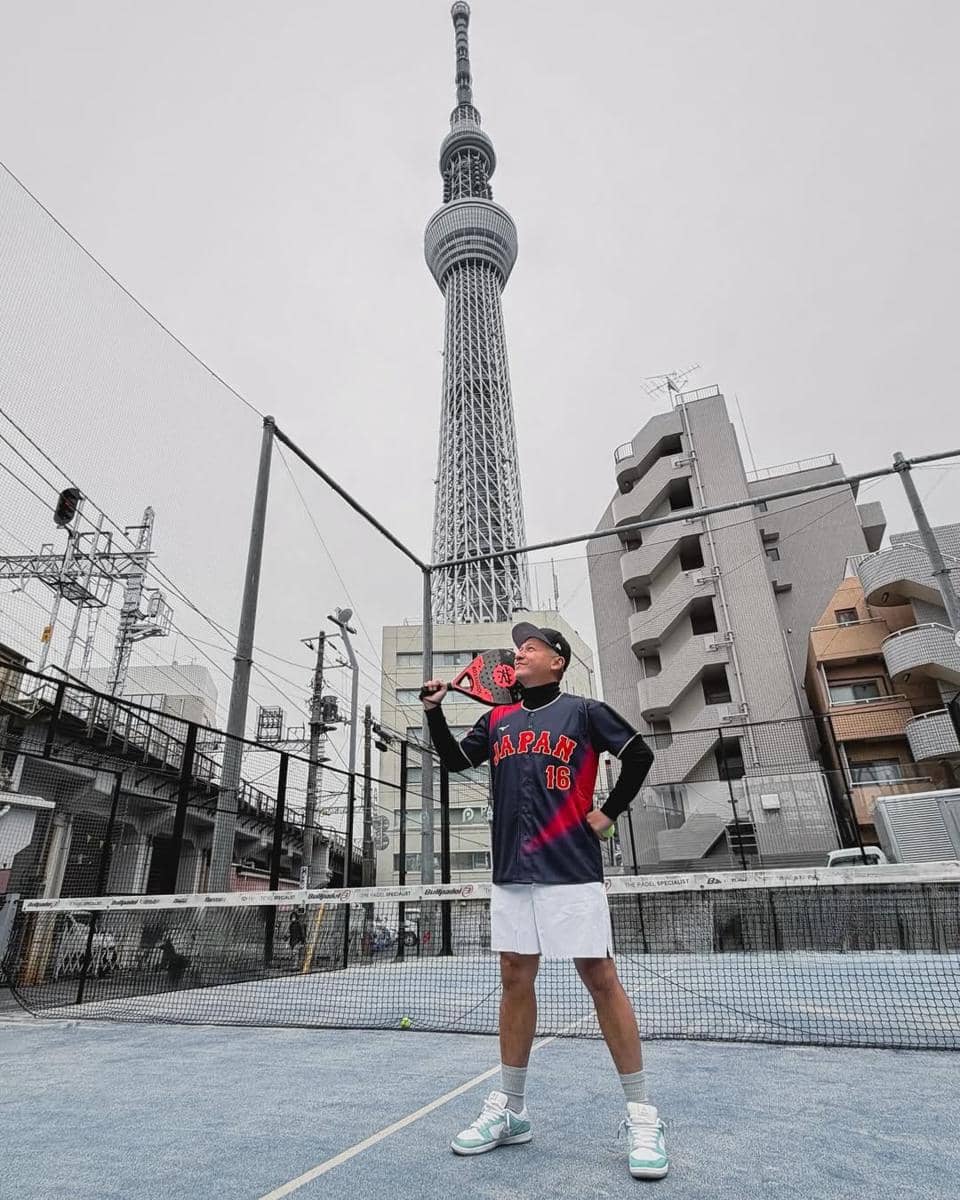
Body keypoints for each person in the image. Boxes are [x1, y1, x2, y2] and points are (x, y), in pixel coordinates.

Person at [422, 622, 667, 1180]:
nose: (519, 653)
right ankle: (511, 1110)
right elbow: (458, 761)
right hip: (512, 872)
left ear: (557, 661)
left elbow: (640, 756)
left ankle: (642, 1115)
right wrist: (435, 712)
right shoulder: (496, 719)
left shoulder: (585, 712)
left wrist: (607, 813)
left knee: (600, 977)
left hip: (572, 868)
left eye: (529, 647)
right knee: (514, 977)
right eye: (517, 648)